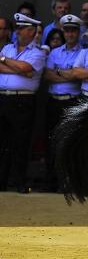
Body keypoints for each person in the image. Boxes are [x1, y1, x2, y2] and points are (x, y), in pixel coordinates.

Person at [0, 13, 46, 193]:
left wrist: (5, 62)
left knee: (20, 142)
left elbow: (27, 68)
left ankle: (18, 182)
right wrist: (18, 68)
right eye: (17, 28)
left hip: (23, 100)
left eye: (22, 28)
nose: (18, 32)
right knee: (2, 142)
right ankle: (2, 181)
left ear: (32, 31)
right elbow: (21, 69)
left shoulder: (37, 52)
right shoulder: (8, 49)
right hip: (3, 97)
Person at [43, 14, 83, 190]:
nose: (70, 34)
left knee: (69, 144)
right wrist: (67, 74)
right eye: (67, 30)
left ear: (78, 32)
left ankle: (68, 184)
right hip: (54, 102)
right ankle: (51, 182)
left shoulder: (84, 52)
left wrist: (61, 72)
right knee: (51, 142)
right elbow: (48, 75)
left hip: (72, 102)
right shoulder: (54, 52)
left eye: (73, 30)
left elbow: (77, 77)